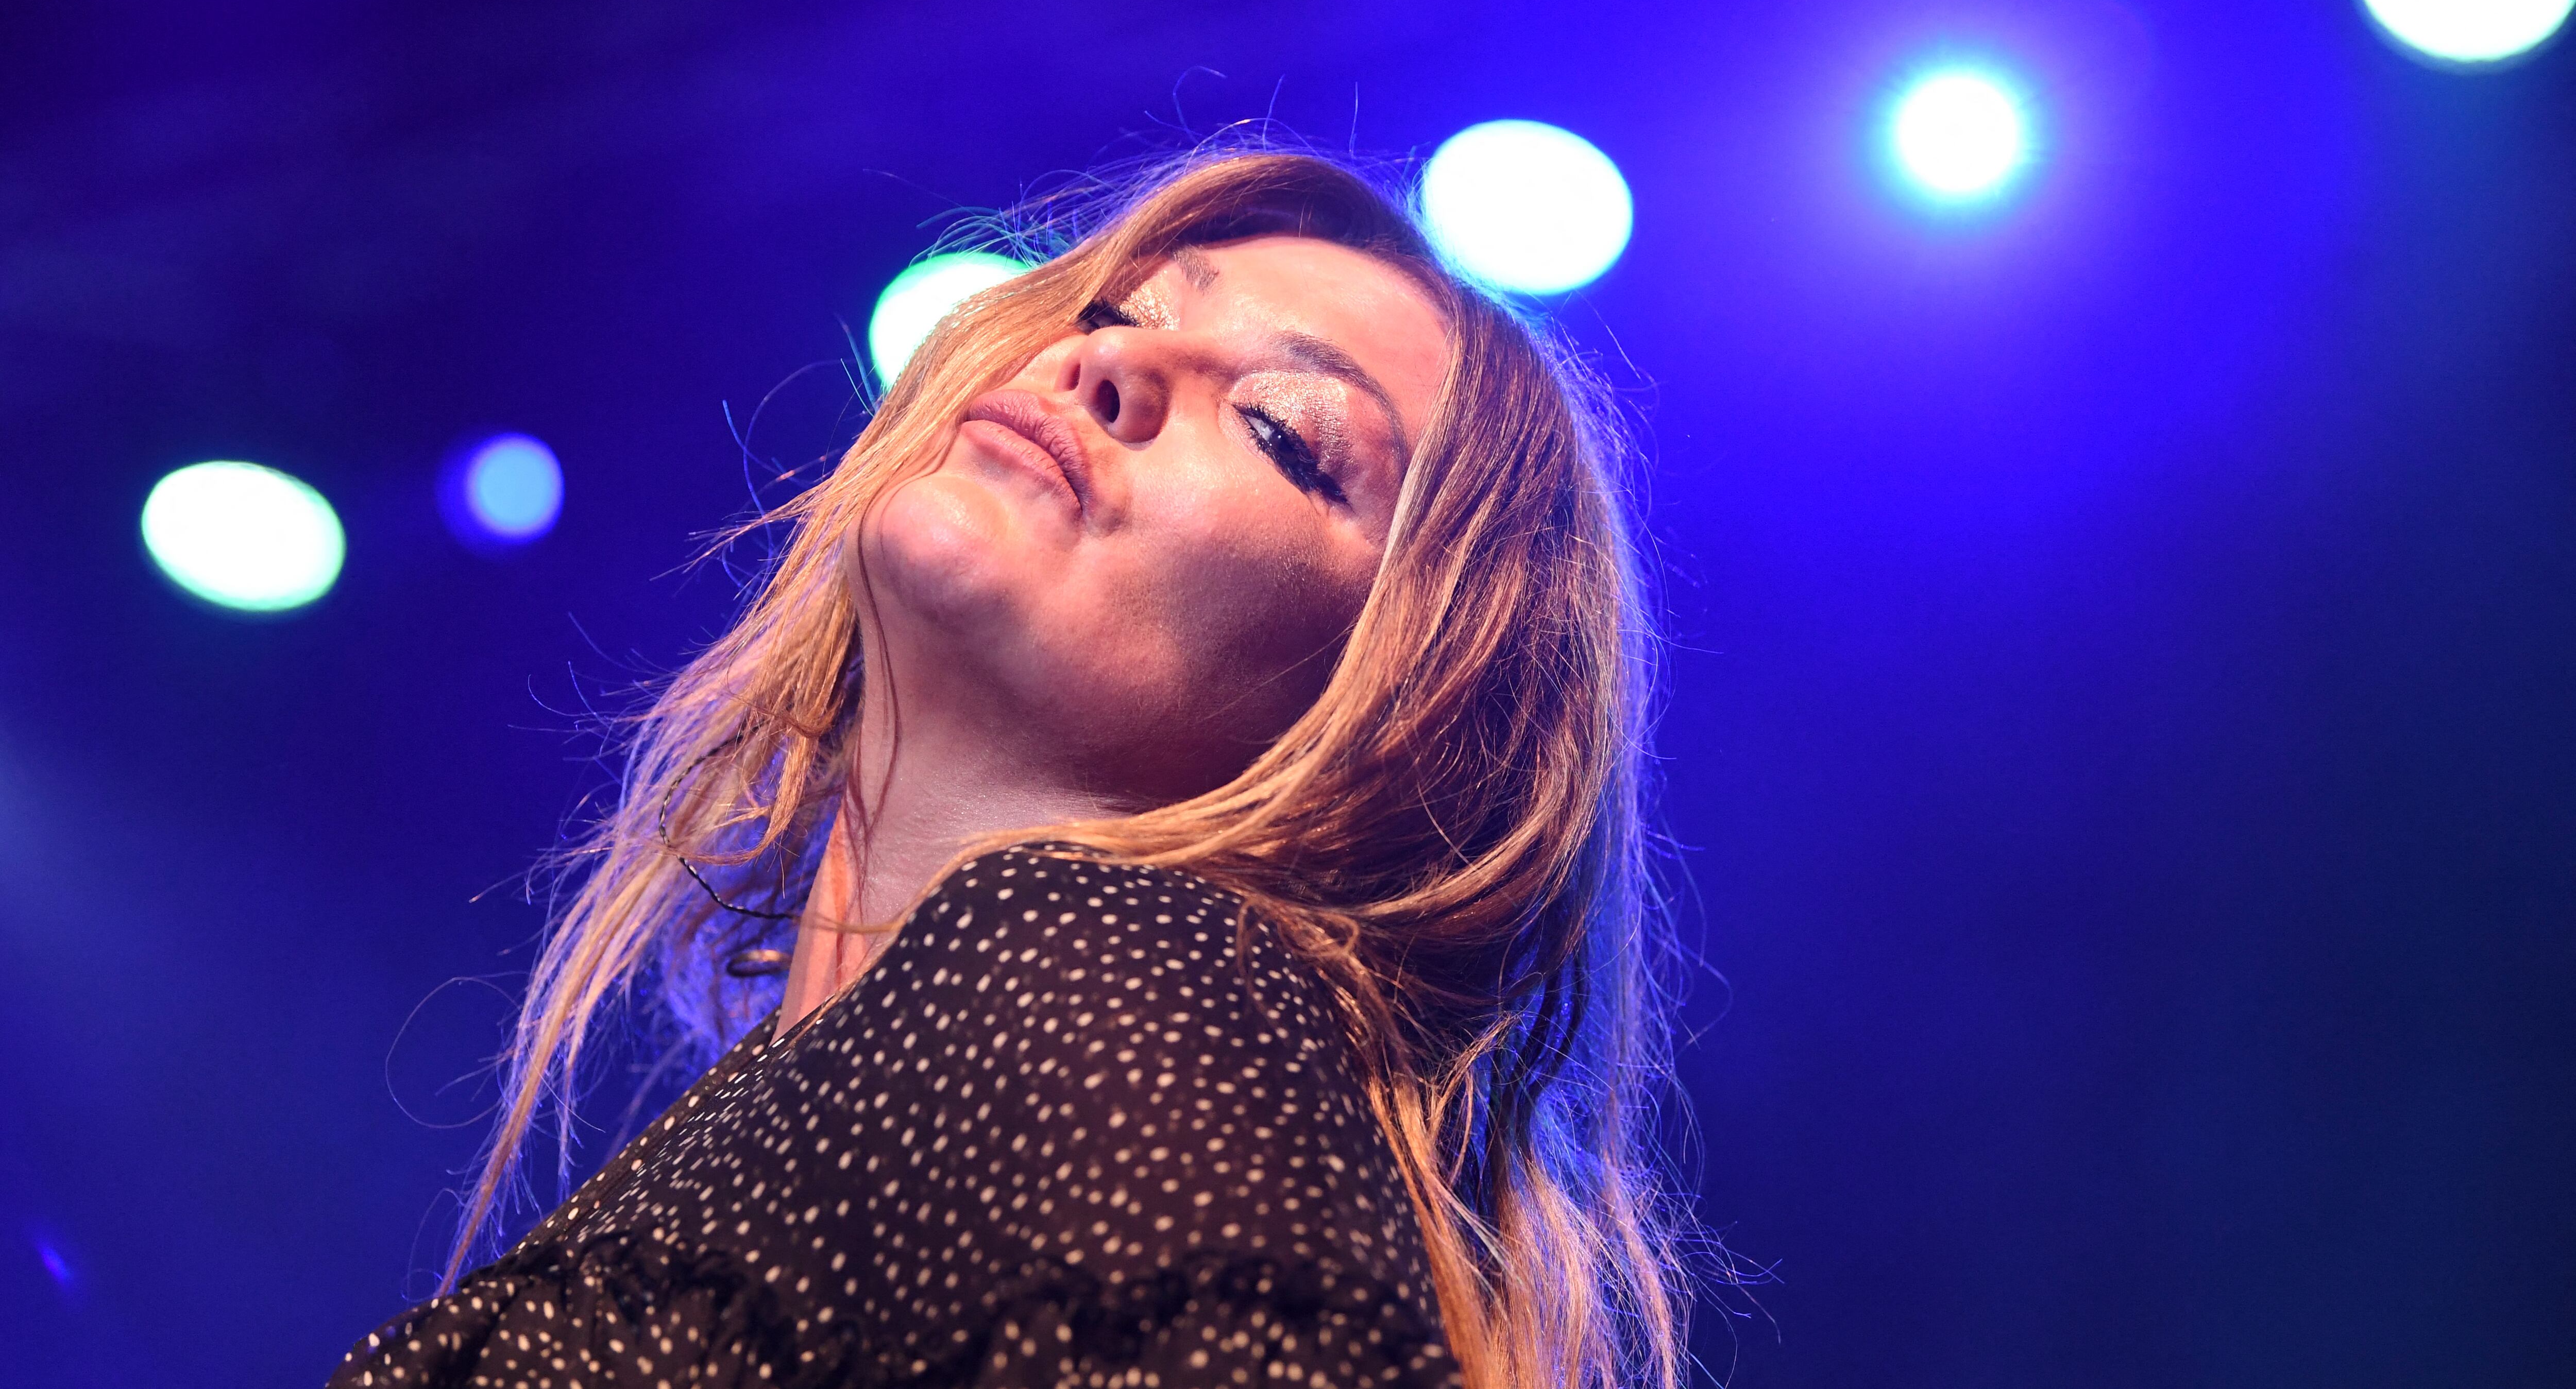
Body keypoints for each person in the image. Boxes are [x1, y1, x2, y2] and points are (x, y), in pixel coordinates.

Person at [328, 150, 1693, 1389]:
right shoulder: (842, 1100)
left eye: (1282, 427)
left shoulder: (1097, 966)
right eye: (1122, 314)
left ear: (1402, 713)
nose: (1105, 369)